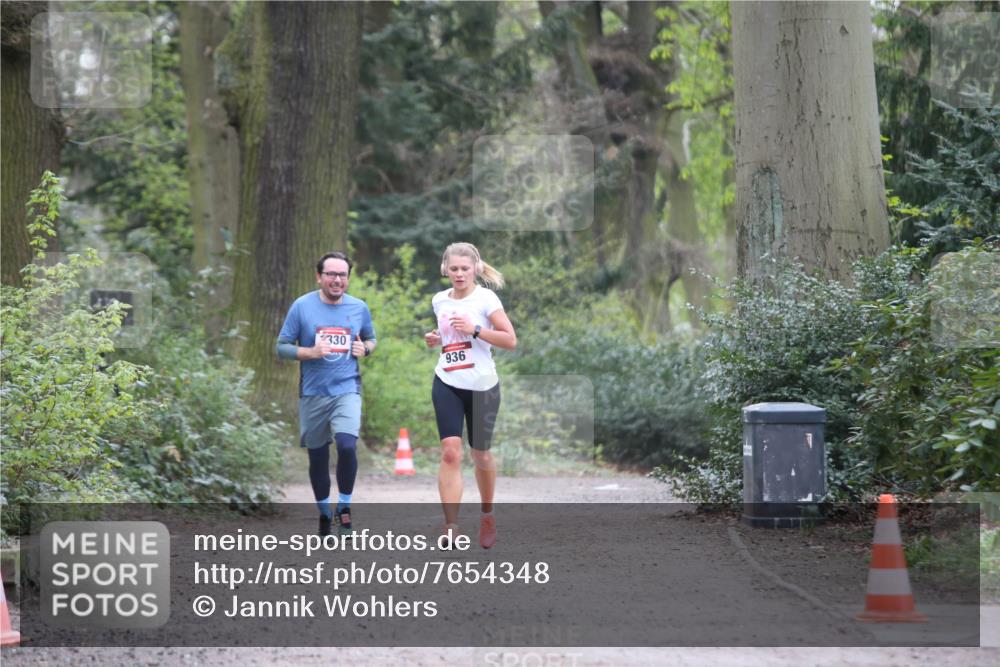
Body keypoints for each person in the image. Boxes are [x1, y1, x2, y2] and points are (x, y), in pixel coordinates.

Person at [276, 252, 376, 536]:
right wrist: (310, 352)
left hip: (347, 389)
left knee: (346, 445)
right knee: (318, 458)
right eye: (331, 274)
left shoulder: (359, 308)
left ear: (348, 278)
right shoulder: (302, 307)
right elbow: (281, 347)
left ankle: (343, 509)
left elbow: (370, 338)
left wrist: (365, 349)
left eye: (342, 275)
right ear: (319, 277)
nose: (337, 280)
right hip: (312, 393)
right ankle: (323, 512)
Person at [424, 242, 516, 549]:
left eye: (465, 269)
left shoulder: (486, 298)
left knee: (481, 455)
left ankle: (487, 513)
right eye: (454, 269)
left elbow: (509, 339)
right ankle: (451, 526)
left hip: (482, 386)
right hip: (447, 380)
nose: (459, 274)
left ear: (475, 269)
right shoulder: (439, 300)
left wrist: (475, 329)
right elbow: (449, 340)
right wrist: (436, 338)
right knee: (451, 451)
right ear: (445, 269)